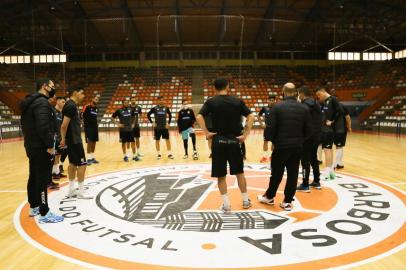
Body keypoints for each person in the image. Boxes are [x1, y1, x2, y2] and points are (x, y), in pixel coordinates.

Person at [197, 78, 254, 213]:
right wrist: (245, 134)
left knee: (221, 176)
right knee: (239, 173)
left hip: (218, 142)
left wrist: (206, 133)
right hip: (234, 141)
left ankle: (227, 205)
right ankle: (246, 201)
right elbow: (251, 116)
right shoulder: (237, 101)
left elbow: (199, 117)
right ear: (227, 87)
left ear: (214, 88)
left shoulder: (211, 102)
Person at [258, 82, 312, 211]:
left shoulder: (277, 107)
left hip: (281, 147)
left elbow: (269, 130)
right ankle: (287, 201)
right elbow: (309, 130)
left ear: (283, 91)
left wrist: (274, 141)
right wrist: (300, 140)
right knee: (293, 175)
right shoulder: (304, 108)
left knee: (276, 173)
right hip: (297, 147)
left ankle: (270, 197)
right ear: (295, 92)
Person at [20, 78, 64, 223]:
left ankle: (34, 207)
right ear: (45, 86)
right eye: (52, 85)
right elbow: (43, 126)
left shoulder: (30, 103)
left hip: (32, 145)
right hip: (41, 147)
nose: (54, 88)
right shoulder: (42, 103)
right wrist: (50, 146)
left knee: (34, 176)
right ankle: (44, 212)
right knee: (43, 179)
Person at [61, 87, 88, 199]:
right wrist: (63, 139)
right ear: (75, 92)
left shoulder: (70, 105)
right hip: (74, 140)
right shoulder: (71, 106)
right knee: (82, 164)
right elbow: (64, 125)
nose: (83, 96)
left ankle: (71, 190)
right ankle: (81, 192)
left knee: (72, 164)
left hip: (72, 140)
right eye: (82, 93)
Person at [296, 86, 322, 192]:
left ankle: (305, 184)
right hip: (316, 135)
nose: (298, 96)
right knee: (313, 158)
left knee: (305, 160)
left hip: (308, 136)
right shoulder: (315, 103)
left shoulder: (305, 104)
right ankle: (316, 181)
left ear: (302, 94)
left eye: (298, 94)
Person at [315, 87, 343, 180]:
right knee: (328, 150)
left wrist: (332, 121)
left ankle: (327, 172)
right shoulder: (324, 102)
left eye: (319, 95)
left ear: (323, 92)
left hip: (328, 130)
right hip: (324, 129)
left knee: (327, 150)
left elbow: (340, 112)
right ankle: (331, 171)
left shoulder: (333, 99)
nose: (318, 97)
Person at [147, 96, 174, 160]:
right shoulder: (154, 108)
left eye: (163, 100)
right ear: (158, 101)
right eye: (161, 100)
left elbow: (170, 116)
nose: (162, 101)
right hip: (157, 128)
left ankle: (169, 153)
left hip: (164, 127)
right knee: (157, 140)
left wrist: (168, 123)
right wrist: (152, 122)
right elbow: (148, 115)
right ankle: (158, 154)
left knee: (167, 140)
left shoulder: (166, 108)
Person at [49, 96, 66, 190]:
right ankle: (54, 174)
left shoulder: (61, 113)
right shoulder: (52, 111)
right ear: (58, 101)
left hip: (60, 137)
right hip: (54, 137)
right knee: (54, 156)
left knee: (58, 155)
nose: (64, 103)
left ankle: (57, 172)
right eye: (63, 101)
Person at [82, 95, 100, 164]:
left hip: (95, 127)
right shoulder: (87, 107)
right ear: (92, 99)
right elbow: (81, 115)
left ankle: (92, 157)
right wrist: (84, 123)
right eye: (95, 98)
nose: (97, 100)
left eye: (97, 99)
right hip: (88, 127)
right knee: (89, 142)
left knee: (94, 142)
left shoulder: (97, 108)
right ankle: (88, 159)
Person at [258, 95, 276, 163]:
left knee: (273, 143)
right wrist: (261, 124)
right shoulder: (264, 108)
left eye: (273, 100)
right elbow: (259, 115)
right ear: (267, 101)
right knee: (265, 142)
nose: (271, 101)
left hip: (275, 129)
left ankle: (272, 156)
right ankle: (265, 157)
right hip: (267, 129)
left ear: (275, 101)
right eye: (270, 100)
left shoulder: (277, 108)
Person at [334, 102, 351, 169]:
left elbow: (348, 117)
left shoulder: (340, 106)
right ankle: (338, 163)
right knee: (339, 147)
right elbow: (348, 117)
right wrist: (349, 127)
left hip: (339, 130)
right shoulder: (339, 106)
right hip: (338, 130)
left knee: (338, 146)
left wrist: (349, 127)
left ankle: (337, 164)